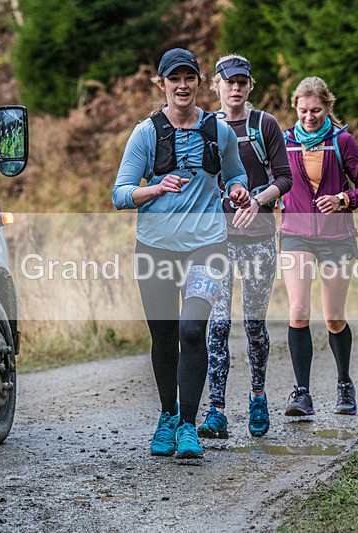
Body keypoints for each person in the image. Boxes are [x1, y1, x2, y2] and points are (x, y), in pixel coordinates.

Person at [112, 48, 250, 459]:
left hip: (207, 245)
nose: (183, 85)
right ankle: (167, 416)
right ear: (162, 85)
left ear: (198, 82)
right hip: (155, 248)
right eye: (175, 79)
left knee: (192, 330)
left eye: (190, 77)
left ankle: (189, 426)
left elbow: (236, 171)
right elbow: (121, 194)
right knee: (165, 335)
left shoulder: (218, 130)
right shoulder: (146, 133)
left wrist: (239, 188)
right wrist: (155, 188)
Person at [199, 54, 292, 439]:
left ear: (250, 86)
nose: (235, 88)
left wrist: (258, 200)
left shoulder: (264, 124)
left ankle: (258, 396)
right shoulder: (204, 126)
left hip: (258, 239)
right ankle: (217, 409)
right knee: (217, 325)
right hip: (218, 239)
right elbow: (198, 180)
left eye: (242, 82)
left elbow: (286, 178)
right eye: (228, 82)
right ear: (216, 86)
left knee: (254, 324)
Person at [280, 76, 358, 417]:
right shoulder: (284, 142)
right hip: (295, 234)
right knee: (298, 312)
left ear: (328, 107)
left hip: (336, 238)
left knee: (333, 318)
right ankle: (301, 393)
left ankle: (344, 385)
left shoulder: (343, 141)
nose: (310, 117)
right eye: (304, 110)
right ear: (295, 106)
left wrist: (343, 198)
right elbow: (271, 182)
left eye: (317, 111)